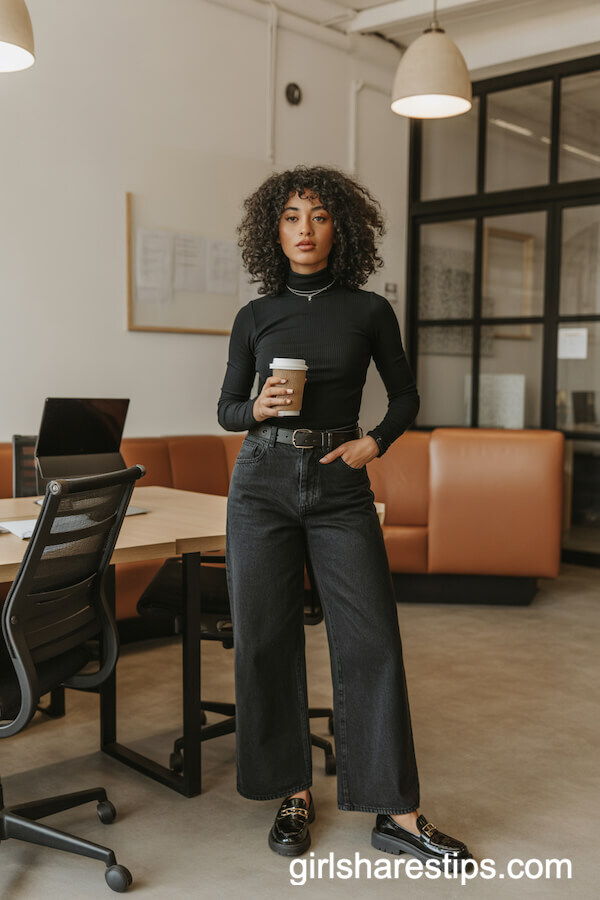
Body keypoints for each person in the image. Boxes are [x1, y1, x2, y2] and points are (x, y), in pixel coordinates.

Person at [217, 165, 471, 868]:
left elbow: (406, 397)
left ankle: (399, 812)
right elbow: (226, 407)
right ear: (275, 229)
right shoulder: (255, 316)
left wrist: (373, 444)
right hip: (261, 480)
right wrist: (257, 409)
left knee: (373, 643)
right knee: (266, 642)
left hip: (340, 483)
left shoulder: (367, 310)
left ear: (341, 229)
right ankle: (291, 793)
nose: (305, 229)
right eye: (293, 216)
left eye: (319, 216)